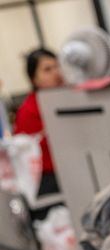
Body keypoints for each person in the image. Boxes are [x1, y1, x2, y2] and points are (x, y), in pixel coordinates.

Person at [13, 48, 63, 196]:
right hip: (49, 180)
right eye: (47, 69)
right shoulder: (29, 111)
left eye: (57, 66)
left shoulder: (69, 99)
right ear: (33, 79)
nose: (56, 73)